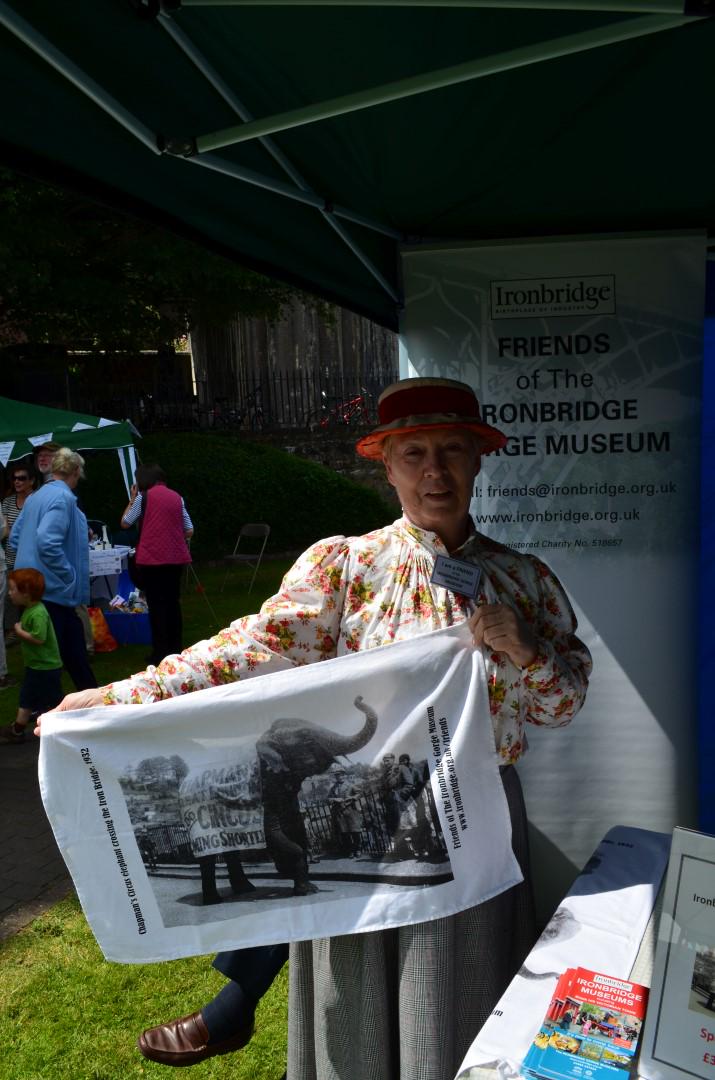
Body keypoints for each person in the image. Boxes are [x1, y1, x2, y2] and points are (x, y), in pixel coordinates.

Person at [40, 377, 591, 1080]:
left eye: (452, 450)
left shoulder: (522, 581)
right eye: (413, 452)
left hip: (475, 815)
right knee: (353, 1007)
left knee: (452, 999)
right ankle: (246, 1012)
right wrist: (122, 696)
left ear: (478, 459)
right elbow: (246, 652)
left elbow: (561, 706)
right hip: (376, 809)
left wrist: (523, 649)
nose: (435, 471)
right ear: (384, 465)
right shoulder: (348, 567)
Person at [9, 447, 96, 691]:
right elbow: (47, 541)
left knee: (69, 648)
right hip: (52, 589)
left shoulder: (36, 496)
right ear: (76, 471)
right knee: (50, 659)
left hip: (37, 587)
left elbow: (16, 537)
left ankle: (90, 699)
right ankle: (42, 714)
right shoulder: (63, 498)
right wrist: (68, 573)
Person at [120, 464, 193, 666]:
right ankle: (176, 647)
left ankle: (160, 652)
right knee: (172, 603)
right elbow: (189, 529)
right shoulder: (177, 497)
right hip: (176, 558)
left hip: (152, 559)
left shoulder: (144, 497)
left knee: (156, 605)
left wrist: (133, 498)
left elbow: (125, 522)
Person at [0, 568, 62, 743]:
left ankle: (63, 727)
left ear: (26, 594)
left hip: (46, 666)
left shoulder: (38, 613)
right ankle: (18, 729)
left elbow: (39, 638)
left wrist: (19, 631)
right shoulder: (30, 609)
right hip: (37, 665)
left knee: (51, 700)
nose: (10, 593)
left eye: (13, 590)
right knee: (28, 697)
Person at [2, 461, 39, 639]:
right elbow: (5, 529)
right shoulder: (8, 502)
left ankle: (33, 628)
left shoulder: (38, 499)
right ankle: (12, 631)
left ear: (31, 481)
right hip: (10, 556)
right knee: (11, 595)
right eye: (15, 478)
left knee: (29, 594)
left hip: (30, 557)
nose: (17, 482)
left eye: (22, 478)